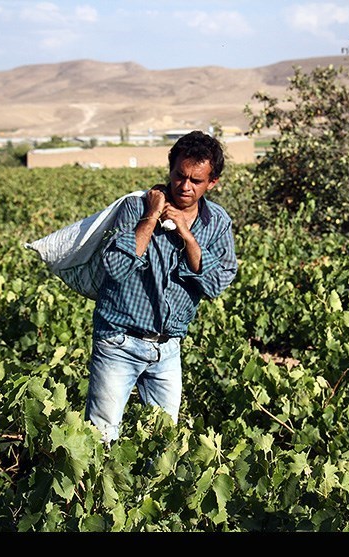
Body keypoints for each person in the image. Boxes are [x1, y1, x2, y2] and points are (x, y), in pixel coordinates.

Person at [84, 130, 238, 443]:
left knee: (164, 443)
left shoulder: (217, 222)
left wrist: (186, 234)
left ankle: (144, 495)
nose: (185, 186)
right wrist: (152, 216)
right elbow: (115, 266)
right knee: (101, 436)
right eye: (180, 176)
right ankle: (94, 492)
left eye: (196, 181)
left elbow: (216, 284)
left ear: (213, 183)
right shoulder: (135, 208)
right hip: (119, 341)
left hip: (168, 348)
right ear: (170, 170)